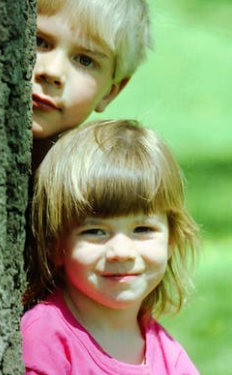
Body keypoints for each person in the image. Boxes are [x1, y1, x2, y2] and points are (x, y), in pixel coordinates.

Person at [22, 120, 201, 375]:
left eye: (143, 230)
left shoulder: (168, 356)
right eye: (94, 231)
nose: (121, 252)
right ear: (54, 245)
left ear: (171, 240)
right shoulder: (45, 339)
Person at [31, 0, 152, 167]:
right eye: (39, 41)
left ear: (111, 92)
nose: (53, 71)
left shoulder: (96, 185)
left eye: (84, 60)